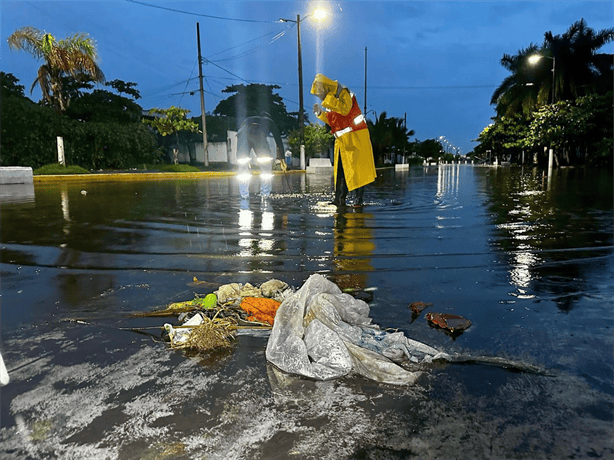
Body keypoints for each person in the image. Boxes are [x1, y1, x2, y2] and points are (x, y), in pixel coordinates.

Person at [311, 73, 376, 207]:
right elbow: (333, 120)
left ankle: (358, 201)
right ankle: (339, 200)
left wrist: (327, 98)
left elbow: (345, 110)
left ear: (326, 88)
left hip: (356, 137)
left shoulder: (343, 92)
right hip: (342, 140)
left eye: (320, 93)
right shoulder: (331, 101)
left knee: (358, 171)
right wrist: (320, 114)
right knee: (341, 170)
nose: (320, 97)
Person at [236, 112, 284, 199]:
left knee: (243, 167)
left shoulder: (248, 119)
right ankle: (265, 195)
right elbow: (278, 141)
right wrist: (282, 159)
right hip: (259, 135)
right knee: (265, 167)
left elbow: (239, 134)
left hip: (242, 136)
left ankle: (244, 195)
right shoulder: (269, 121)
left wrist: (244, 158)